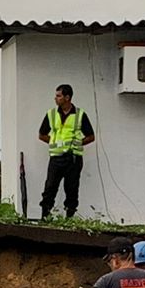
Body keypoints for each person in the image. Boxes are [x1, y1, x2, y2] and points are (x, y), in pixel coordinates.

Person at [37, 83, 96, 219]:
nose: (55, 98)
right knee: (50, 187)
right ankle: (45, 216)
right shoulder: (51, 114)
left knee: (71, 189)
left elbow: (91, 137)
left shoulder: (80, 114)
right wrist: (53, 142)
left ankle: (69, 218)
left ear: (67, 97)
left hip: (73, 159)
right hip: (56, 158)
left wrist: (78, 143)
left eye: (58, 96)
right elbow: (42, 134)